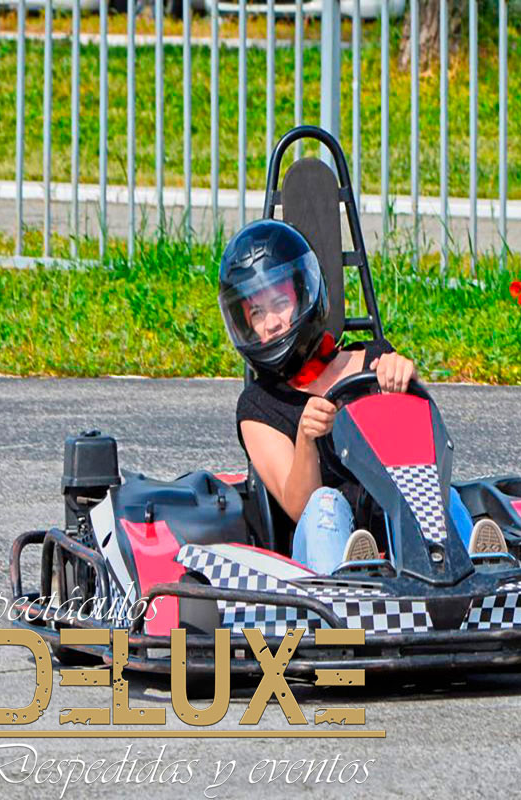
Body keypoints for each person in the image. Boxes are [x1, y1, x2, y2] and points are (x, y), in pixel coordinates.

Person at [217, 219, 506, 574]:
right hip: (320, 566)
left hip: (405, 548)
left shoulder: (374, 362)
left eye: (279, 303)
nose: (271, 323)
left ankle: (478, 571)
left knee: (432, 490)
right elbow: (297, 507)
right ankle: (351, 575)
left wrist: (406, 384)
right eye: (256, 314)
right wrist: (307, 438)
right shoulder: (258, 406)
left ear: (306, 295)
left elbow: (428, 457)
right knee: (326, 501)